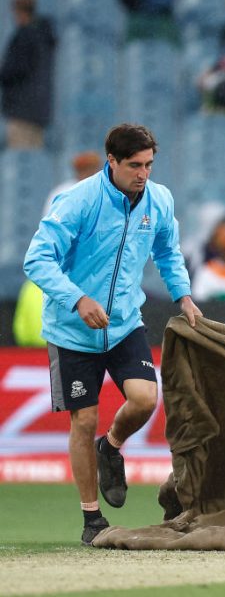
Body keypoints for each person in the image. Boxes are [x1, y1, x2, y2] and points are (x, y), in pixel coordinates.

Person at [23, 123, 203, 546]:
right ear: (112, 161)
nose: (143, 174)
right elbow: (37, 258)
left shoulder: (158, 200)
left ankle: (113, 445)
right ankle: (91, 519)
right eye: (135, 165)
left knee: (145, 399)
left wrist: (184, 296)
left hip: (123, 324)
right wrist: (77, 299)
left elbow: (167, 251)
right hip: (71, 332)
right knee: (83, 419)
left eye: (149, 165)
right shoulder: (78, 201)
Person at [0, 0, 55, 149]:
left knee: (21, 161)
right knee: (34, 163)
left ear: (17, 11)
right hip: (40, 111)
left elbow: (14, 70)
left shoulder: (25, 35)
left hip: (21, 111)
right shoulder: (44, 35)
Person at [45, 151, 104, 215]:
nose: (90, 172)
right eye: (85, 169)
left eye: (93, 168)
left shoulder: (101, 189)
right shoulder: (63, 190)